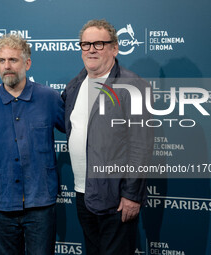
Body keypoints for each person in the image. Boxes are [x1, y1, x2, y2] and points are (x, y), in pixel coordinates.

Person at [62, 19, 154, 254]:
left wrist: (132, 195)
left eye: (99, 44)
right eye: (85, 44)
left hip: (116, 198)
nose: (91, 49)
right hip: (83, 193)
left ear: (115, 48)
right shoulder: (75, 85)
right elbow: (53, 116)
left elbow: (141, 145)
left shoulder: (133, 85)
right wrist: (13, 91)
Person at [0, 34, 65, 255]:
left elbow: (77, 129)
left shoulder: (49, 98)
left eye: (13, 60)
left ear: (27, 63)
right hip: (2, 201)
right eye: (2, 61)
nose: (7, 66)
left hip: (40, 201)